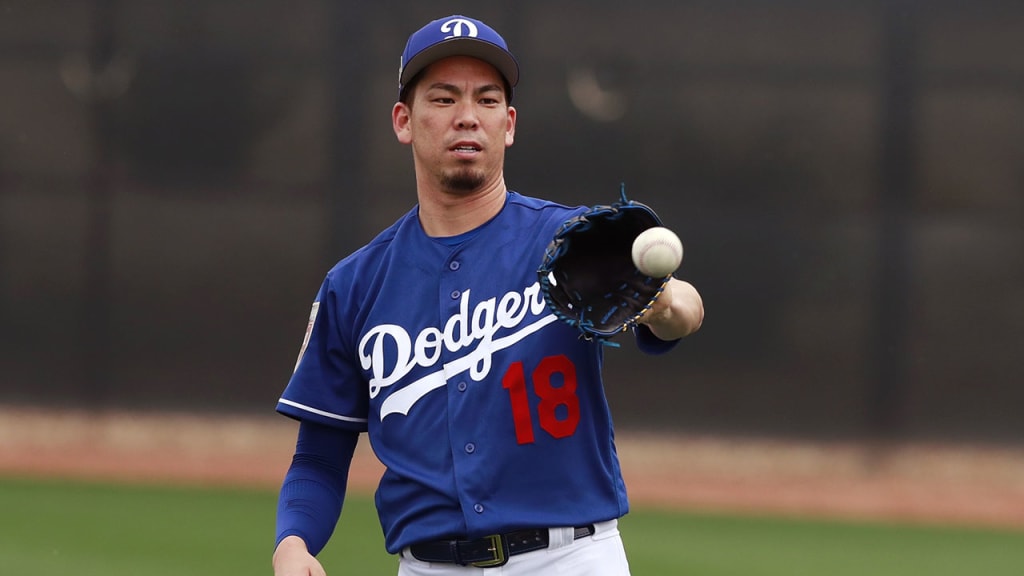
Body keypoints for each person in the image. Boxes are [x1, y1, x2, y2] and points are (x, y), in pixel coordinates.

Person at [272, 14, 704, 576]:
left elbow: (683, 308)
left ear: (509, 124)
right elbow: (319, 456)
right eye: (444, 98)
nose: (467, 116)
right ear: (404, 121)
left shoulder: (571, 243)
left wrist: (665, 306)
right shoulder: (354, 285)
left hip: (571, 558)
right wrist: (293, 542)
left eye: (487, 99)